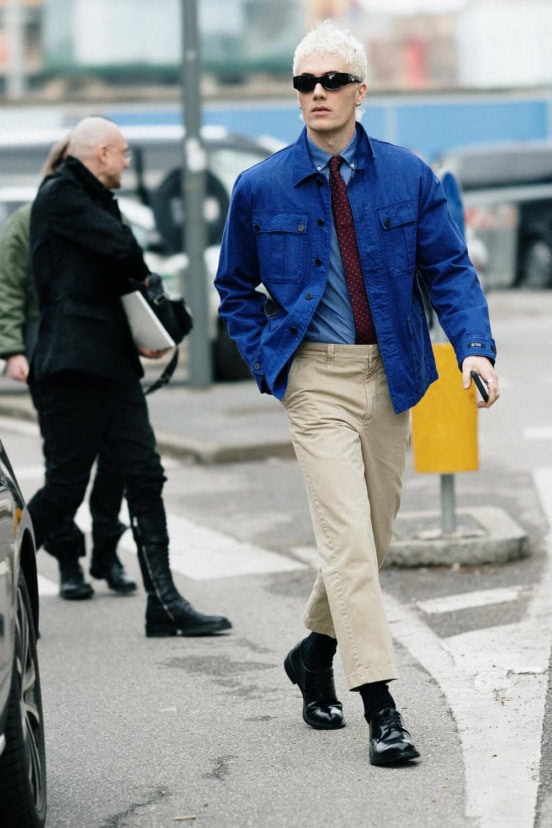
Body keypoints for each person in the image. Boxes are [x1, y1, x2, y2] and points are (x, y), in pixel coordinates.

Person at [215, 20, 499, 766]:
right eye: (305, 82)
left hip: (393, 373)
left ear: (360, 91)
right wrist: (271, 363)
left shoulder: (409, 176)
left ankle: (313, 654)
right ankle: (382, 706)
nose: (317, 93)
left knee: (369, 543)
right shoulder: (260, 186)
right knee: (346, 541)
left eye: (332, 80)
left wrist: (474, 348)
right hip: (315, 379)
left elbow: (449, 271)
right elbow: (234, 288)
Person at [28, 115, 231, 637]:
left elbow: (117, 269)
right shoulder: (61, 195)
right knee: (65, 489)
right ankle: (9, 579)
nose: (127, 162)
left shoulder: (94, 198)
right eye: (123, 153)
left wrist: (145, 317)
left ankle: (163, 604)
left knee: (144, 473)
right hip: (72, 368)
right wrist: (142, 276)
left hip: (111, 365)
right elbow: (123, 252)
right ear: (101, 154)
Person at [0, 136, 136, 601]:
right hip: (51, 353)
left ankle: (107, 552)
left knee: (116, 459)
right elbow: (9, 286)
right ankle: (68, 561)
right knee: (65, 466)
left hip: (102, 353)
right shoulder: (30, 218)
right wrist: (12, 350)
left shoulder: (103, 214)